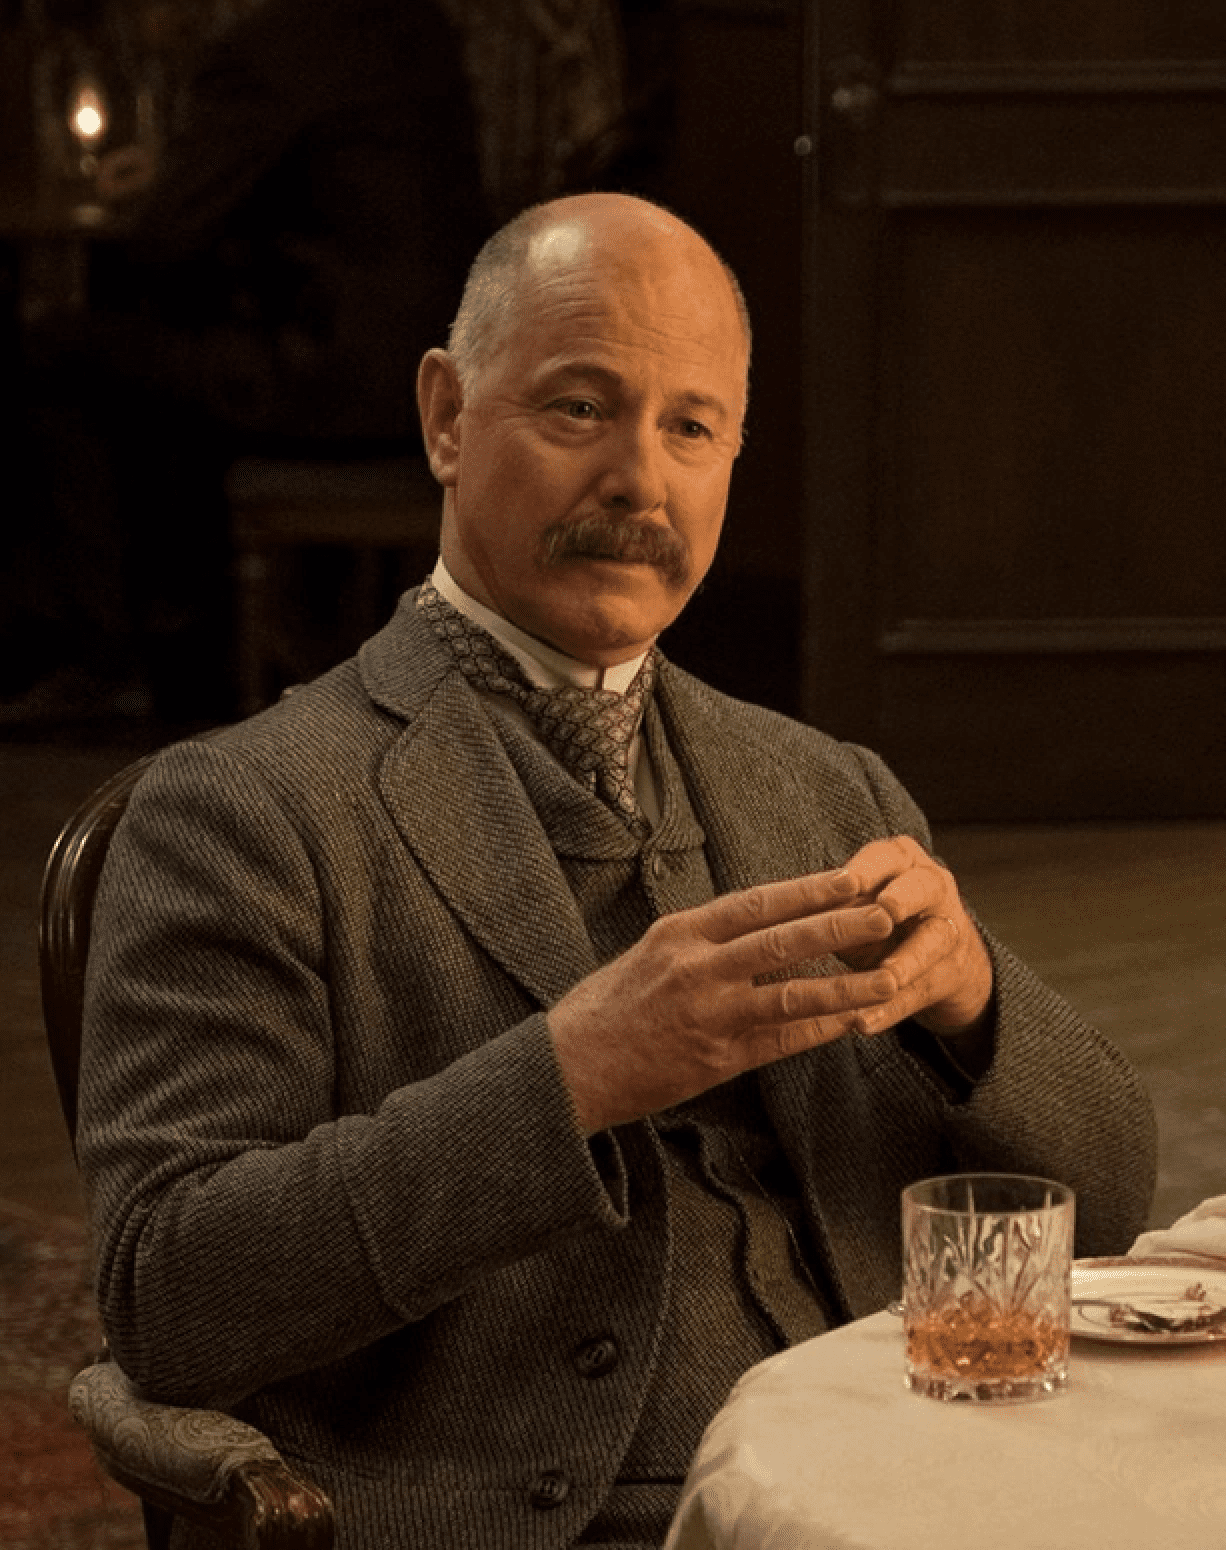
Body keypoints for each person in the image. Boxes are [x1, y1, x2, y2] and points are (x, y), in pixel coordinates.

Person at [79, 193, 1157, 1549]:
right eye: (580, 408)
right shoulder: (239, 809)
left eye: (690, 427)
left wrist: (979, 1008)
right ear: (446, 417)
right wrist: (570, 1075)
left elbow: (1109, 1205)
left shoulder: (830, 788)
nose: (640, 482)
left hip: (910, 1485)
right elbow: (168, 1294)